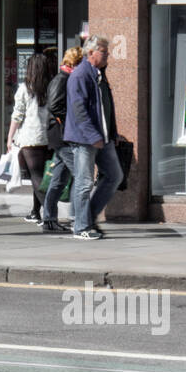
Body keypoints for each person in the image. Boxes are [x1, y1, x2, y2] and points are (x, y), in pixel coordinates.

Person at [63, 36, 121, 240]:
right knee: (84, 182)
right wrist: (92, 135)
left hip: (102, 138)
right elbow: (79, 111)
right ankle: (81, 227)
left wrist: (112, 134)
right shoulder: (80, 76)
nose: (108, 56)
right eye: (104, 52)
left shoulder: (99, 74)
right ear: (91, 53)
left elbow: (107, 107)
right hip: (84, 139)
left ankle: (88, 217)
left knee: (115, 175)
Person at [40, 46, 83, 233]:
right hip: (62, 136)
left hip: (63, 136)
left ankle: (49, 219)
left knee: (59, 179)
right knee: (81, 175)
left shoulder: (67, 78)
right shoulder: (61, 79)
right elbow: (55, 106)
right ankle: (78, 217)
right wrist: (71, 122)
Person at [7, 53, 53, 224]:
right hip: (47, 137)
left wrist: (10, 137)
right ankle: (35, 211)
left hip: (29, 138)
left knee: (36, 177)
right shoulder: (50, 88)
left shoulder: (25, 88)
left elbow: (17, 115)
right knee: (40, 175)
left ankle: (49, 215)